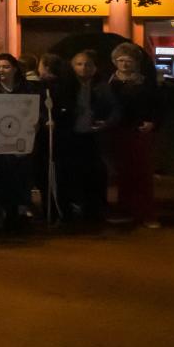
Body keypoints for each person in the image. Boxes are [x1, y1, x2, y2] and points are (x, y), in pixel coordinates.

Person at [51, 50, 119, 223]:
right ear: (72, 66)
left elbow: (115, 109)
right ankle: (67, 211)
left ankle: (92, 210)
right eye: (79, 64)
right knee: (68, 174)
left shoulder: (102, 87)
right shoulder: (63, 86)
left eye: (88, 64)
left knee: (93, 174)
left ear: (95, 67)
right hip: (69, 136)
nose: (83, 68)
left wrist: (106, 123)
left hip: (92, 136)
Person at [107, 42, 161, 228]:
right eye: (120, 60)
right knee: (122, 173)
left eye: (128, 60)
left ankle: (146, 213)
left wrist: (152, 121)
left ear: (135, 62)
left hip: (139, 131)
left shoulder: (145, 83)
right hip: (117, 130)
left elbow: (157, 105)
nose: (124, 64)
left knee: (142, 172)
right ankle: (125, 210)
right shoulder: (109, 83)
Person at [0, 53, 36, 232]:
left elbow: (34, 113)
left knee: (19, 180)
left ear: (14, 68)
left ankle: (17, 214)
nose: (1, 70)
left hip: (20, 143)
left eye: (5, 67)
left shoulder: (26, 89)